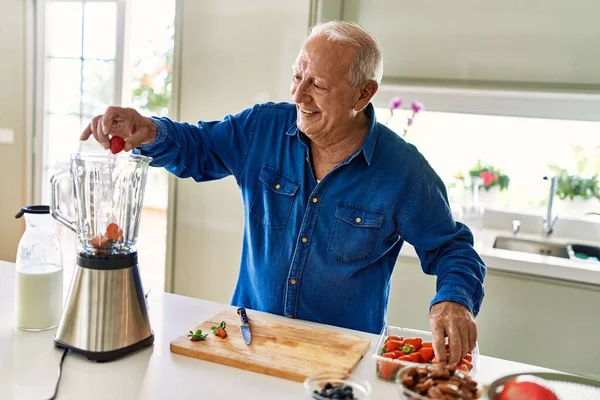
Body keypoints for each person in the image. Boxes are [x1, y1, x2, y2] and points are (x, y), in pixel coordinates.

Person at [80, 20, 486, 365]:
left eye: (318, 85)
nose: (298, 96)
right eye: (297, 76)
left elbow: (453, 248)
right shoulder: (263, 129)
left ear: (363, 94)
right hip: (247, 341)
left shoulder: (404, 172)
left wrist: (454, 300)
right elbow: (197, 149)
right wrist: (148, 130)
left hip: (343, 360)